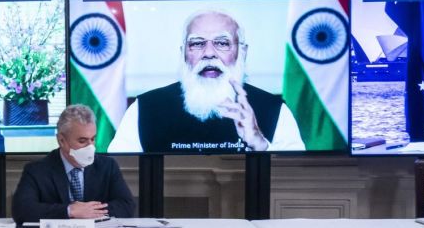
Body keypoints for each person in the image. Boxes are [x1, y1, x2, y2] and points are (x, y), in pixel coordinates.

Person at [108, 10, 305, 153]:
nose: (209, 53)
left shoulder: (274, 109)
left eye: (222, 43)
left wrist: (259, 143)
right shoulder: (145, 108)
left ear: (242, 52)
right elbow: (119, 171)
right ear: (183, 53)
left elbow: (295, 178)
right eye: (197, 43)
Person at [12, 104, 137, 225]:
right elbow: (22, 211)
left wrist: (90, 212)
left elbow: (127, 205)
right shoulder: (37, 170)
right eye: (82, 141)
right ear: (62, 140)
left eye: (92, 139)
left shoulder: (107, 166)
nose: (90, 147)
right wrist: (70, 210)